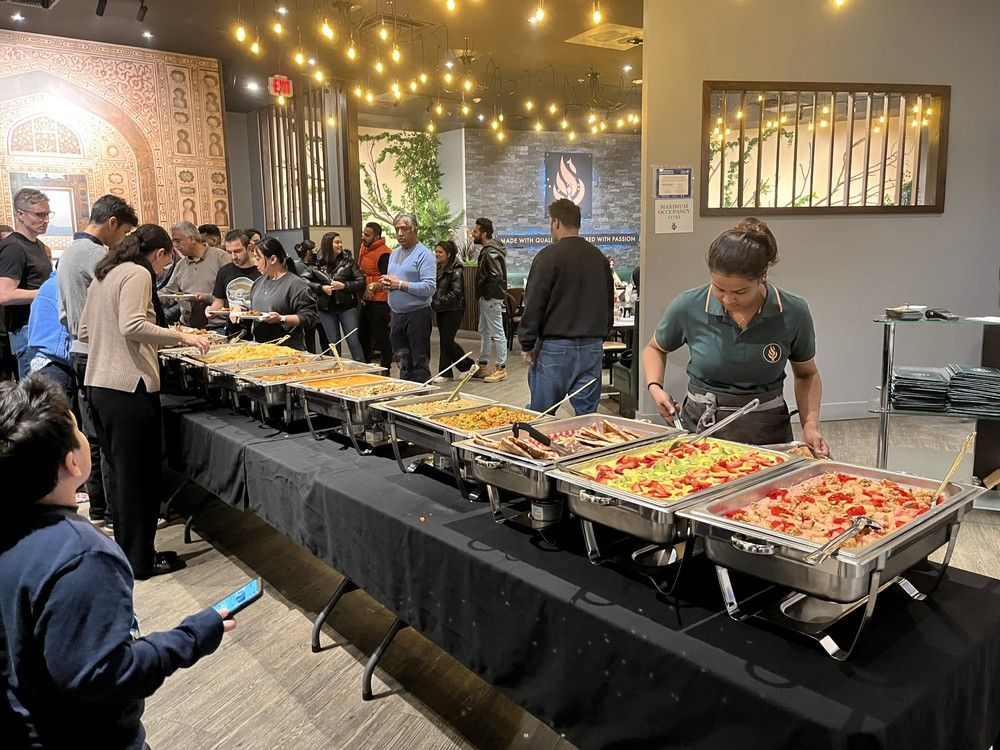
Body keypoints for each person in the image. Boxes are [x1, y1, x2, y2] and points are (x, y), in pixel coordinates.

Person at [0, 375, 233, 748]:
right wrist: (190, 636)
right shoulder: (81, 556)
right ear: (72, 462)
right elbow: (105, 674)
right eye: (77, 427)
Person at [78, 224, 213, 579]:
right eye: (167, 261)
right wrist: (180, 336)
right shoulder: (137, 273)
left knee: (122, 479)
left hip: (98, 386)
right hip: (129, 389)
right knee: (140, 480)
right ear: (160, 254)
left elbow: (83, 331)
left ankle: (129, 554)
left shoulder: (105, 273)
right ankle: (141, 561)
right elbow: (133, 325)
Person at [642, 218, 830, 454]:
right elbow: (655, 348)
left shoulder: (793, 311)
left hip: (766, 429)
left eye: (740, 291)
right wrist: (654, 386)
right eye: (719, 289)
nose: (729, 300)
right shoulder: (689, 305)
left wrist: (810, 425)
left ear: (763, 275)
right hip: (701, 428)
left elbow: (807, 374)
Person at [56, 194, 138, 525]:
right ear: (112, 223)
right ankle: (119, 513)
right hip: (99, 355)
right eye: (123, 234)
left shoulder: (67, 255)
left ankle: (102, 510)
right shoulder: (96, 256)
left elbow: (65, 314)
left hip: (77, 349)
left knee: (93, 434)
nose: (122, 242)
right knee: (110, 442)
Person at [518, 198, 615, 416]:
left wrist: (526, 343)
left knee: (541, 417)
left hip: (555, 348)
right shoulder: (598, 257)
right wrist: (601, 334)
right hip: (592, 347)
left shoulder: (547, 257)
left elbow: (534, 302)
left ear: (556, 222)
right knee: (587, 418)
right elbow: (609, 301)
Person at [0, 188, 54, 379]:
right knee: (34, 396)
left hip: (40, 328)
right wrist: (48, 293)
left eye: (47, 214)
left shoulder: (38, 245)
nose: (45, 220)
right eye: (39, 215)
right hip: (26, 331)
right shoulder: (14, 246)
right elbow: (5, 295)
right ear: (20, 214)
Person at [231, 236, 317, 351]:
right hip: (260, 348)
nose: (255, 263)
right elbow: (252, 307)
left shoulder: (296, 285)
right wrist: (240, 309)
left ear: (272, 259)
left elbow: (309, 317)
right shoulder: (259, 282)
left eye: (258, 259)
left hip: (287, 349)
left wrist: (281, 318)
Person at [381, 213, 436, 382]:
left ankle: (422, 401)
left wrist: (400, 285)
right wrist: (386, 283)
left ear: (414, 230)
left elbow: (429, 287)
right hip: (397, 314)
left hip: (418, 314)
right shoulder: (394, 253)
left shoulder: (424, 254)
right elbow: (395, 280)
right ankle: (406, 397)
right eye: (397, 229)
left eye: (404, 229)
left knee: (419, 363)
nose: (400, 233)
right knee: (402, 362)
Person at [159, 221, 229, 328]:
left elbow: (232, 293)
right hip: (188, 327)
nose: (175, 246)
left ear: (191, 239)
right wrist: (150, 298)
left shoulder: (221, 258)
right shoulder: (181, 265)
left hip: (218, 326)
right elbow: (169, 292)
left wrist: (207, 298)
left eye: (178, 241)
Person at [315, 231, 366, 361]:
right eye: (337, 242)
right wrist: (321, 288)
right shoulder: (316, 262)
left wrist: (343, 286)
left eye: (341, 242)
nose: (340, 245)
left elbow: (361, 282)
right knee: (333, 344)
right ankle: (337, 372)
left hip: (347, 307)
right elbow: (306, 282)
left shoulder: (348, 260)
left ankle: (363, 371)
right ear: (328, 244)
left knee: (353, 340)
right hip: (326, 308)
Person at [471, 217, 509, 382]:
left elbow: (496, 276)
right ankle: (483, 364)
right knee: (485, 331)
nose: (473, 233)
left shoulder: (490, 252)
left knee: (497, 332)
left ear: (484, 233)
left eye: (476, 231)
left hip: (491, 298)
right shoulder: (489, 250)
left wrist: (488, 295)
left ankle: (501, 368)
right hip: (489, 298)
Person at [431, 240, 473, 381]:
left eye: (440, 252)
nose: (437, 254)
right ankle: (445, 373)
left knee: (447, 341)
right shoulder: (438, 268)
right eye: (436, 251)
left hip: (454, 310)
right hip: (442, 309)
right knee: (444, 340)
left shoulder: (456, 269)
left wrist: (438, 302)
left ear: (448, 254)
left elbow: (456, 293)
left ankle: (468, 366)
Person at [208, 229, 261, 333]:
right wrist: (211, 310)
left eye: (237, 251)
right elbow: (218, 301)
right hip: (233, 329)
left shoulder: (260, 271)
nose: (233, 257)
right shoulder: (224, 271)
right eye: (229, 252)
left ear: (249, 248)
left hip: (258, 329)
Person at [357, 221, 393, 369]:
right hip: (366, 299)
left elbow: (387, 278)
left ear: (376, 236)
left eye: (367, 235)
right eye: (363, 234)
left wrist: (370, 284)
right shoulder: (364, 248)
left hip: (380, 300)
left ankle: (386, 367)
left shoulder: (384, 253)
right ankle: (365, 364)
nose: (363, 237)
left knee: (381, 336)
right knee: (363, 334)